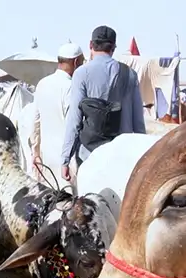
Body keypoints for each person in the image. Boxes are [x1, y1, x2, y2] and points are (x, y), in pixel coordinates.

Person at [61, 25, 145, 183]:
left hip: (89, 156)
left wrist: (65, 159)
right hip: (122, 156)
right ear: (113, 47)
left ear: (90, 45)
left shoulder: (81, 73)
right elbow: (138, 123)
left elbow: (74, 120)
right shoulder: (130, 74)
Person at [32, 42, 85, 186]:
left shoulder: (42, 84)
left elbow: (36, 122)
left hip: (46, 159)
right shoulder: (72, 87)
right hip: (67, 162)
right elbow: (73, 125)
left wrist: (35, 153)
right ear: (76, 62)